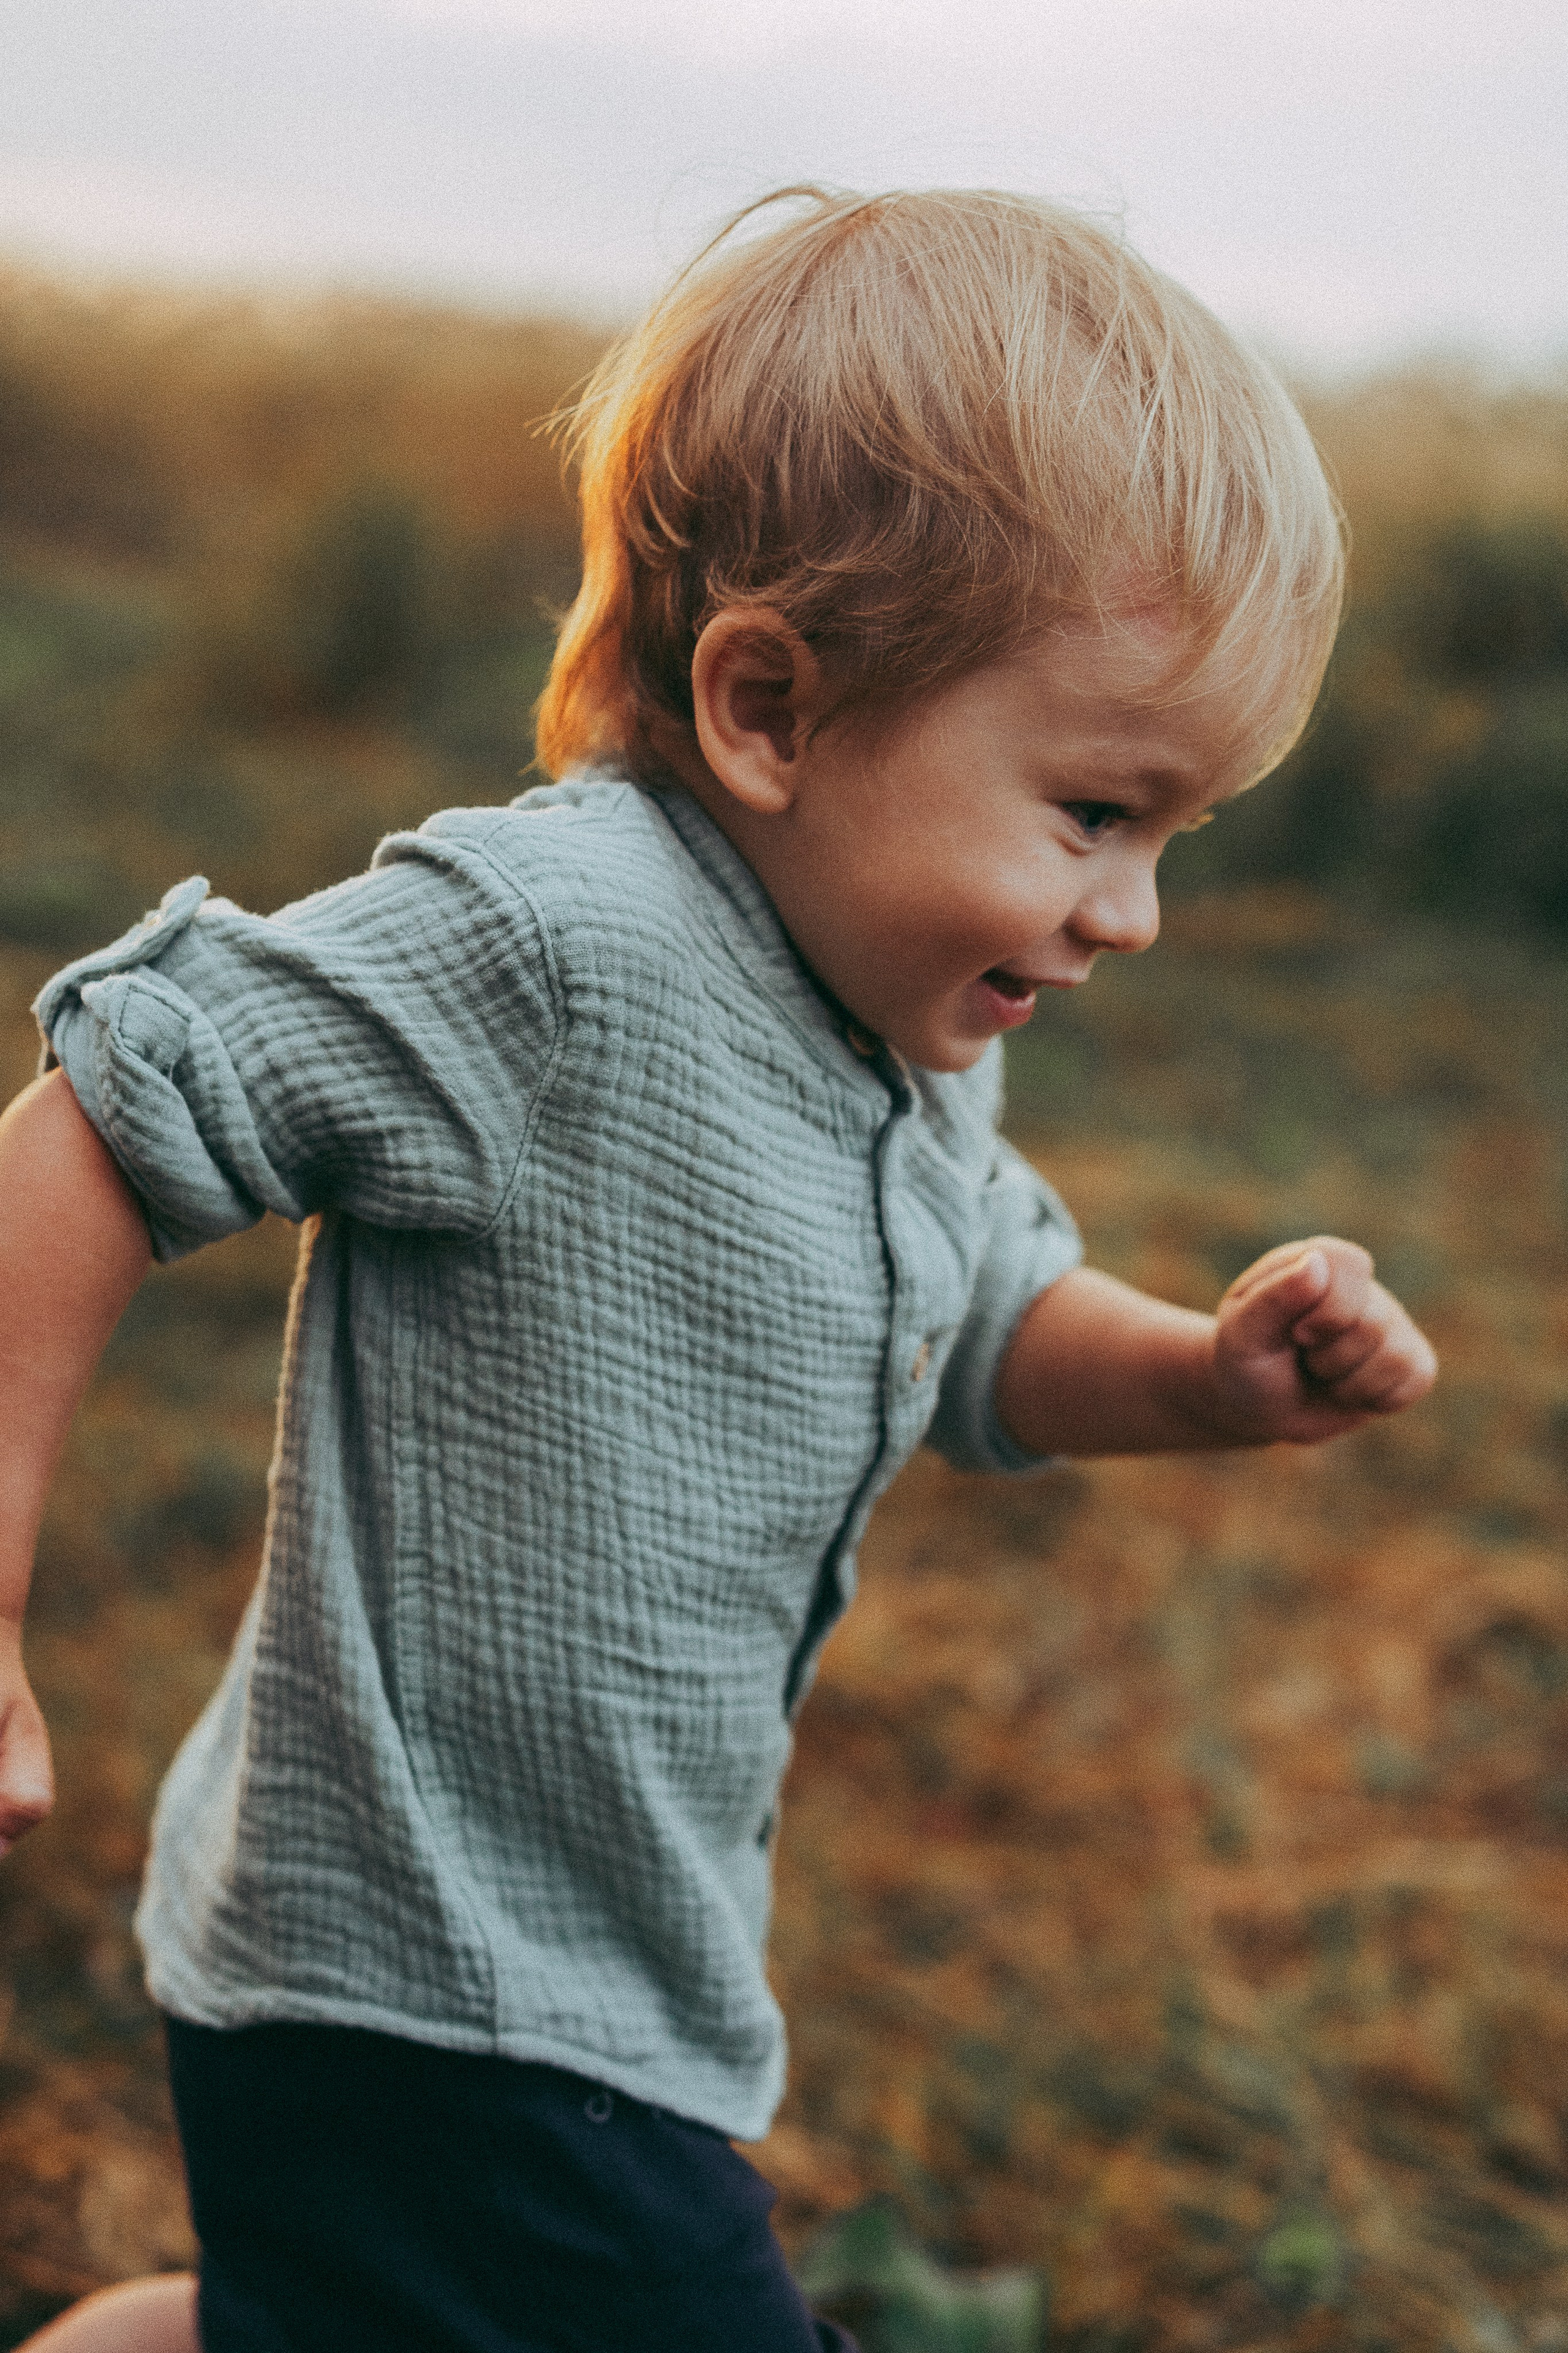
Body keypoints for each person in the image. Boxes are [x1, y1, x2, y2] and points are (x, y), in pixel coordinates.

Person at [0, 187, 1436, 2353]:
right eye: (1090, 813)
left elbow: (987, 1316)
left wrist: (1207, 1373)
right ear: (768, 702)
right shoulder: (567, 943)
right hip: (442, 1979)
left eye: (1172, 839)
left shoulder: (905, 1020)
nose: (1131, 911)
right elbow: (113, 1105)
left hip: (593, 1969)